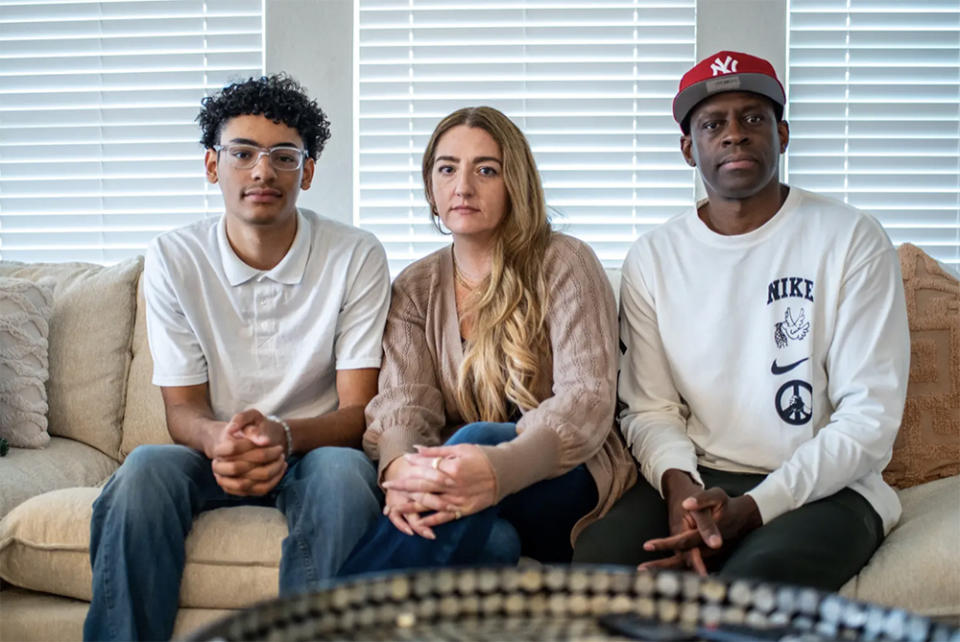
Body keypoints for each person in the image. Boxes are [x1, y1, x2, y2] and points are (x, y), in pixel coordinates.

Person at [573, 51, 910, 591]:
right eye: (713, 124)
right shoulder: (654, 257)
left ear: (782, 134)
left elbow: (869, 418)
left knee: (755, 585)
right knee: (599, 563)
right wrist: (683, 499)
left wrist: (753, 509)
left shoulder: (851, 239)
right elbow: (650, 408)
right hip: (702, 475)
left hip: (830, 487)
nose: (734, 134)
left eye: (753, 118)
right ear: (689, 149)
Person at [84, 74, 391, 641]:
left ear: (308, 170)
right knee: (143, 470)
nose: (261, 171)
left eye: (283, 156)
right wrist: (220, 441)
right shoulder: (175, 257)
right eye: (242, 153)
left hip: (316, 448)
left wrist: (284, 437)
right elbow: (183, 410)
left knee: (347, 479)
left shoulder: (356, 255)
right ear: (211, 165)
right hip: (215, 450)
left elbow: (358, 413)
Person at [337, 106, 636, 575]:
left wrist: (495, 469)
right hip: (464, 495)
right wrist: (399, 470)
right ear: (431, 191)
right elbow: (404, 405)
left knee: (471, 440)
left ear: (515, 182)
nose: (463, 186)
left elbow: (587, 400)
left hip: (563, 478)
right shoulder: (415, 288)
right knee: (494, 543)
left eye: (486, 170)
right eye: (447, 168)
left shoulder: (566, 263)